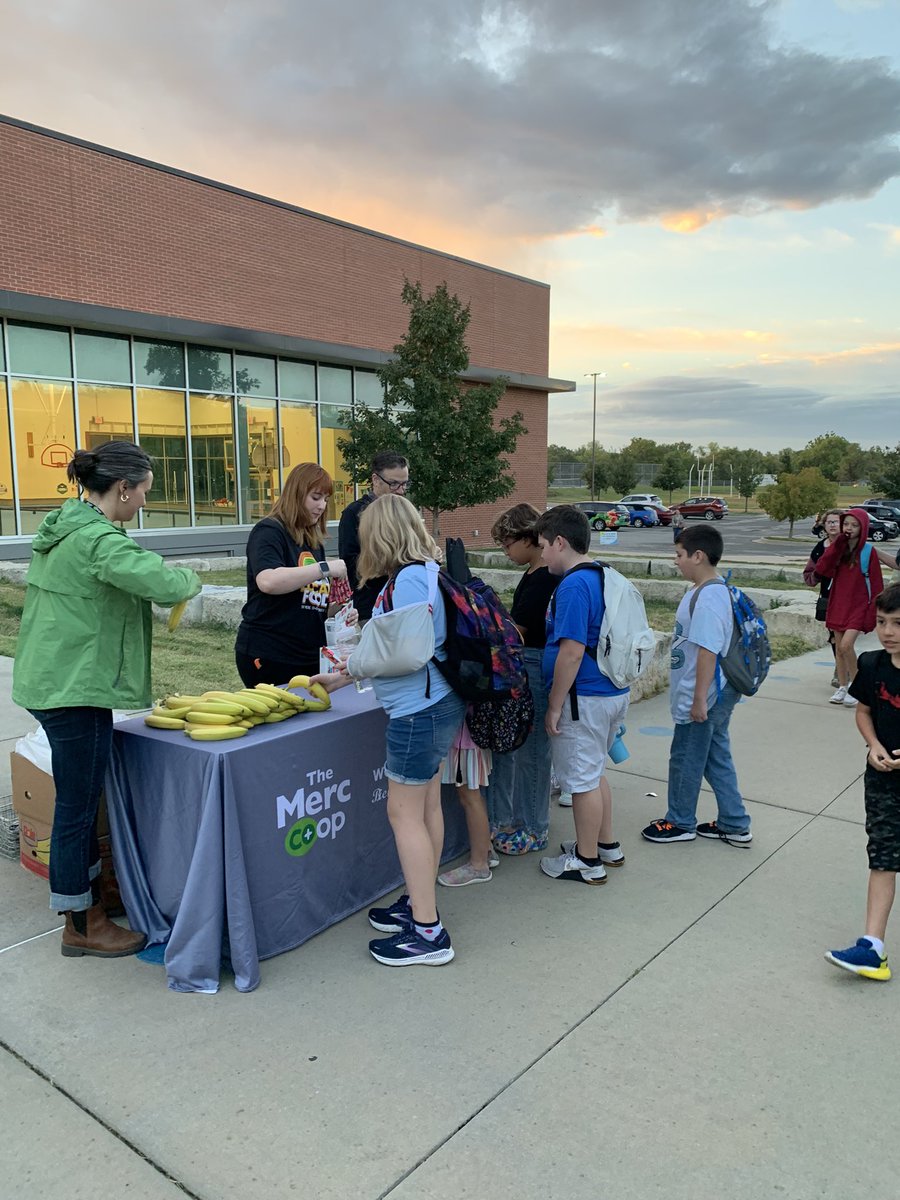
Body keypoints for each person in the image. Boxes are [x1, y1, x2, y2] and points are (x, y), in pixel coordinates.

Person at [12, 442, 201, 959]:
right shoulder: (98, 540)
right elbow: (160, 582)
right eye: (143, 491)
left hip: (58, 679)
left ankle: (89, 899)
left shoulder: (69, 524)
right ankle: (81, 922)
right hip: (72, 687)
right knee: (76, 806)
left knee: (80, 799)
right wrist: (190, 579)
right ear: (123, 488)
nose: (143, 500)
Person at [314, 494, 465, 965]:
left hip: (418, 710)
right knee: (424, 810)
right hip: (434, 702)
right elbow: (399, 648)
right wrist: (346, 674)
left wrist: (352, 664)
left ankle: (427, 933)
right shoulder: (420, 574)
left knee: (404, 816)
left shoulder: (408, 581)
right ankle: (421, 904)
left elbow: (405, 652)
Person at [532, 506, 629, 885]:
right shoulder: (605, 574)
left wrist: (554, 706)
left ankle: (587, 862)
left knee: (582, 781)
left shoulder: (573, 585)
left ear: (560, 542)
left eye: (543, 546)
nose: (542, 555)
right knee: (594, 772)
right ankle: (606, 844)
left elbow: (571, 651)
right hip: (610, 690)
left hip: (582, 697)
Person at [641, 523, 752, 847]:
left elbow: (707, 651)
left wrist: (699, 699)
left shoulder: (709, 598)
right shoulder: (707, 590)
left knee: (686, 756)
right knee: (715, 755)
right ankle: (735, 822)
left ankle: (679, 821)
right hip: (710, 691)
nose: (676, 561)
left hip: (706, 692)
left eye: (679, 554)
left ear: (698, 555)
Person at [825, 583, 900, 981]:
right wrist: (872, 746)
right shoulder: (871, 665)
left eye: (899, 624)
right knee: (883, 858)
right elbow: (865, 711)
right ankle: (873, 947)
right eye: (883, 622)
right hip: (883, 780)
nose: (888, 632)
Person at [235, 462, 354, 686]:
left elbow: (311, 605)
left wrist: (340, 610)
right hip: (270, 653)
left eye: (326, 499)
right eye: (316, 497)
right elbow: (268, 581)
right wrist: (325, 567)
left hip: (307, 656)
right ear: (296, 494)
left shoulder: (312, 541)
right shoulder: (269, 531)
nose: (322, 506)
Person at [486, 503, 558, 855]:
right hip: (528, 662)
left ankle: (534, 827)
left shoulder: (544, 577)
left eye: (507, 544)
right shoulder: (533, 573)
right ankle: (527, 819)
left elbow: (522, 630)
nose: (506, 552)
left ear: (528, 538)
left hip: (535, 662)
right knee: (527, 750)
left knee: (533, 752)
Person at [813, 507, 883, 707]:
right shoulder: (839, 549)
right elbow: (822, 569)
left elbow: (877, 586)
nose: (849, 528)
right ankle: (843, 686)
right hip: (838, 603)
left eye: (854, 525)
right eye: (846, 524)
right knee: (839, 649)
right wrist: (837, 546)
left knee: (846, 646)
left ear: (863, 528)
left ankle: (857, 686)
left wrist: (873, 613)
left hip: (858, 606)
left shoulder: (868, 552)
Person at [338, 451, 410, 621]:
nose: (401, 491)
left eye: (405, 484)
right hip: (370, 608)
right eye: (394, 484)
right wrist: (387, 561)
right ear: (376, 480)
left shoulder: (403, 512)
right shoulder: (354, 513)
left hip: (402, 605)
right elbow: (349, 565)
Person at [436, 718, 498, 886]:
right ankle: (485, 850)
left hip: (466, 737)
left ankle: (479, 865)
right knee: (472, 795)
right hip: (470, 733)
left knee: (470, 796)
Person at [803, 509, 843, 688]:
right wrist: (819, 572)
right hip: (828, 597)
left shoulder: (850, 546)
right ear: (824, 526)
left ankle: (845, 671)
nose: (833, 525)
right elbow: (809, 575)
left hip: (848, 598)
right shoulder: (820, 548)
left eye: (837, 521)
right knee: (834, 636)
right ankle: (840, 670)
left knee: (845, 638)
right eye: (829, 522)